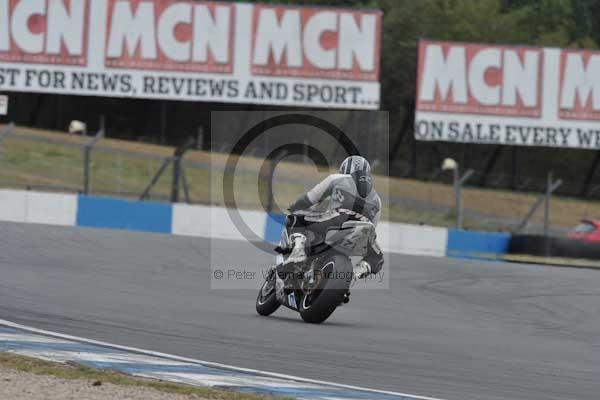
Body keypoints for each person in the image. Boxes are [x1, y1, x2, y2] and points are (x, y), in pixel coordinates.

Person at [284, 155, 384, 279]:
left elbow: (311, 198)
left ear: (345, 168)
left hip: (338, 218)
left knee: (295, 218)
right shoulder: (377, 199)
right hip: (364, 229)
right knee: (377, 258)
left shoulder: (336, 178)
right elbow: (373, 227)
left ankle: (298, 251)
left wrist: (294, 206)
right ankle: (355, 273)